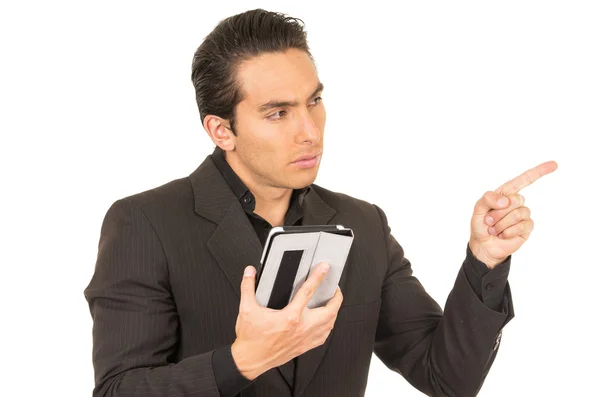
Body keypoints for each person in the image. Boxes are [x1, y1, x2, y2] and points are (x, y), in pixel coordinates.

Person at [84, 8, 557, 397]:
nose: (309, 131)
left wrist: (484, 262)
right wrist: (242, 361)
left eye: (313, 101)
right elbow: (118, 390)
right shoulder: (144, 223)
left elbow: (446, 378)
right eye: (278, 113)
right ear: (221, 130)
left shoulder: (363, 223)